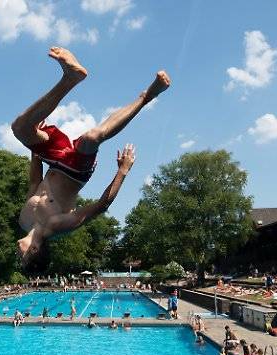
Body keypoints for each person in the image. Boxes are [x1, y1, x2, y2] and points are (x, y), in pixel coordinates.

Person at [12, 46, 170, 264]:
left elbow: (34, 182)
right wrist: (123, 171)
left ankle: (71, 78)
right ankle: (146, 97)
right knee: (91, 137)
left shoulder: (23, 220)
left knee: (20, 129)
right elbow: (101, 206)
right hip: (76, 170)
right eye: (22, 260)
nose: (17, 257)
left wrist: (34, 146)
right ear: (35, 250)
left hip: (54, 161)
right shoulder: (58, 226)